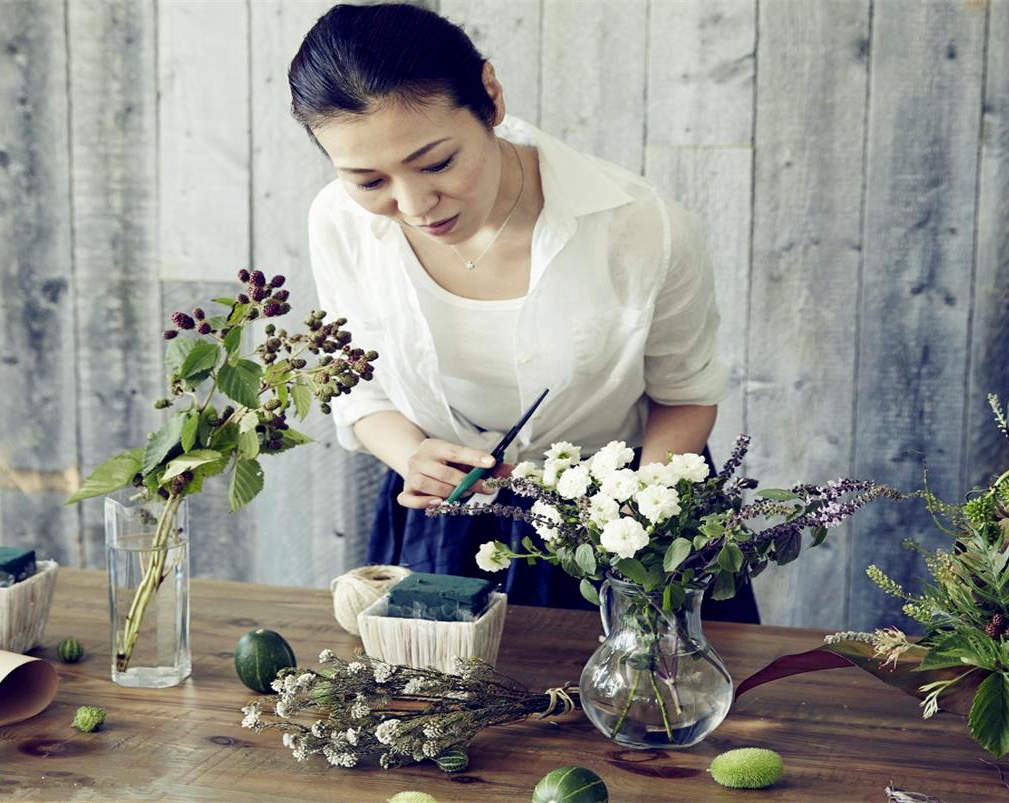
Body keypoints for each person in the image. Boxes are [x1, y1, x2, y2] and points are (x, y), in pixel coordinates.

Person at [289, 2, 758, 623]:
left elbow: (686, 396)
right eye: (368, 181)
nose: (415, 203)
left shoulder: (643, 227)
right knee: (441, 713)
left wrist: (636, 527)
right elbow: (357, 391)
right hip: (447, 520)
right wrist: (411, 457)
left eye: (437, 163)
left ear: (490, 95)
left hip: (622, 518)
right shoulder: (339, 221)